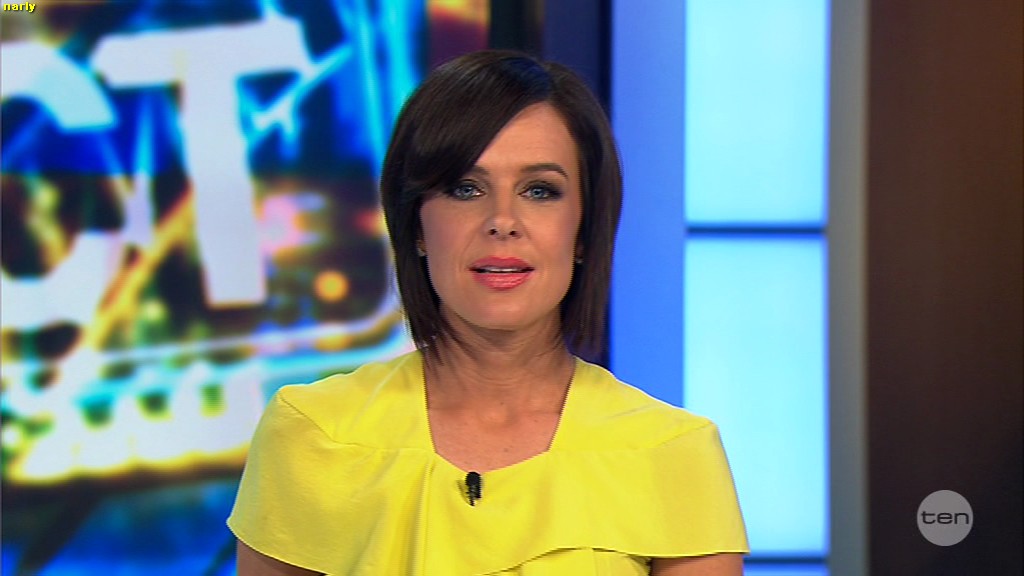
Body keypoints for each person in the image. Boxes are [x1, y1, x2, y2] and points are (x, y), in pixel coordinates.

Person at [228, 49, 748, 575]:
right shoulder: (314, 433)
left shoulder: (671, 451)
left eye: (540, 191)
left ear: (583, 231)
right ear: (416, 226)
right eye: (466, 189)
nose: (503, 221)